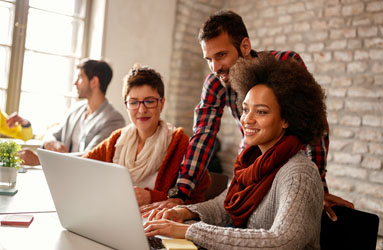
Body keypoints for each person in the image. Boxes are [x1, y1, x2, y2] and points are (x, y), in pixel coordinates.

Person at [144, 10, 353, 221]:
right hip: (251, 161)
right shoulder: (215, 82)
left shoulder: (285, 63)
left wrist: (317, 184)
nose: (215, 67)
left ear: (245, 46)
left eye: (221, 55)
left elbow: (313, 122)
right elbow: (203, 136)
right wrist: (180, 193)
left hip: (291, 160)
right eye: (208, 59)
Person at [144, 54, 326, 249]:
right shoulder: (251, 160)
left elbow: (283, 240)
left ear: (286, 119)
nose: (247, 119)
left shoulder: (299, 173)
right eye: (246, 109)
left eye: (261, 111)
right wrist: (183, 213)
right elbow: (226, 206)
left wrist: (189, 230)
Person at [83, 65, 210, 207]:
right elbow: (81, 169)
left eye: (149, 101)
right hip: (115, 216)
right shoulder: (116, 140)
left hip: (156, 224)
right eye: (134, 102)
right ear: (126, 105)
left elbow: (197, 201)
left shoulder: (181, 144)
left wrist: (152, 197)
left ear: (162, 104)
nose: (141, 110)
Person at [19, 59, 125, 166]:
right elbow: (53, 134)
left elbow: (91, 158)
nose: (75, 83)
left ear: (94, 82)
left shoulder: (114, 120)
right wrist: (50, 143)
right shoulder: (76, 110)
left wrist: (40, 161)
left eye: (80, 77)